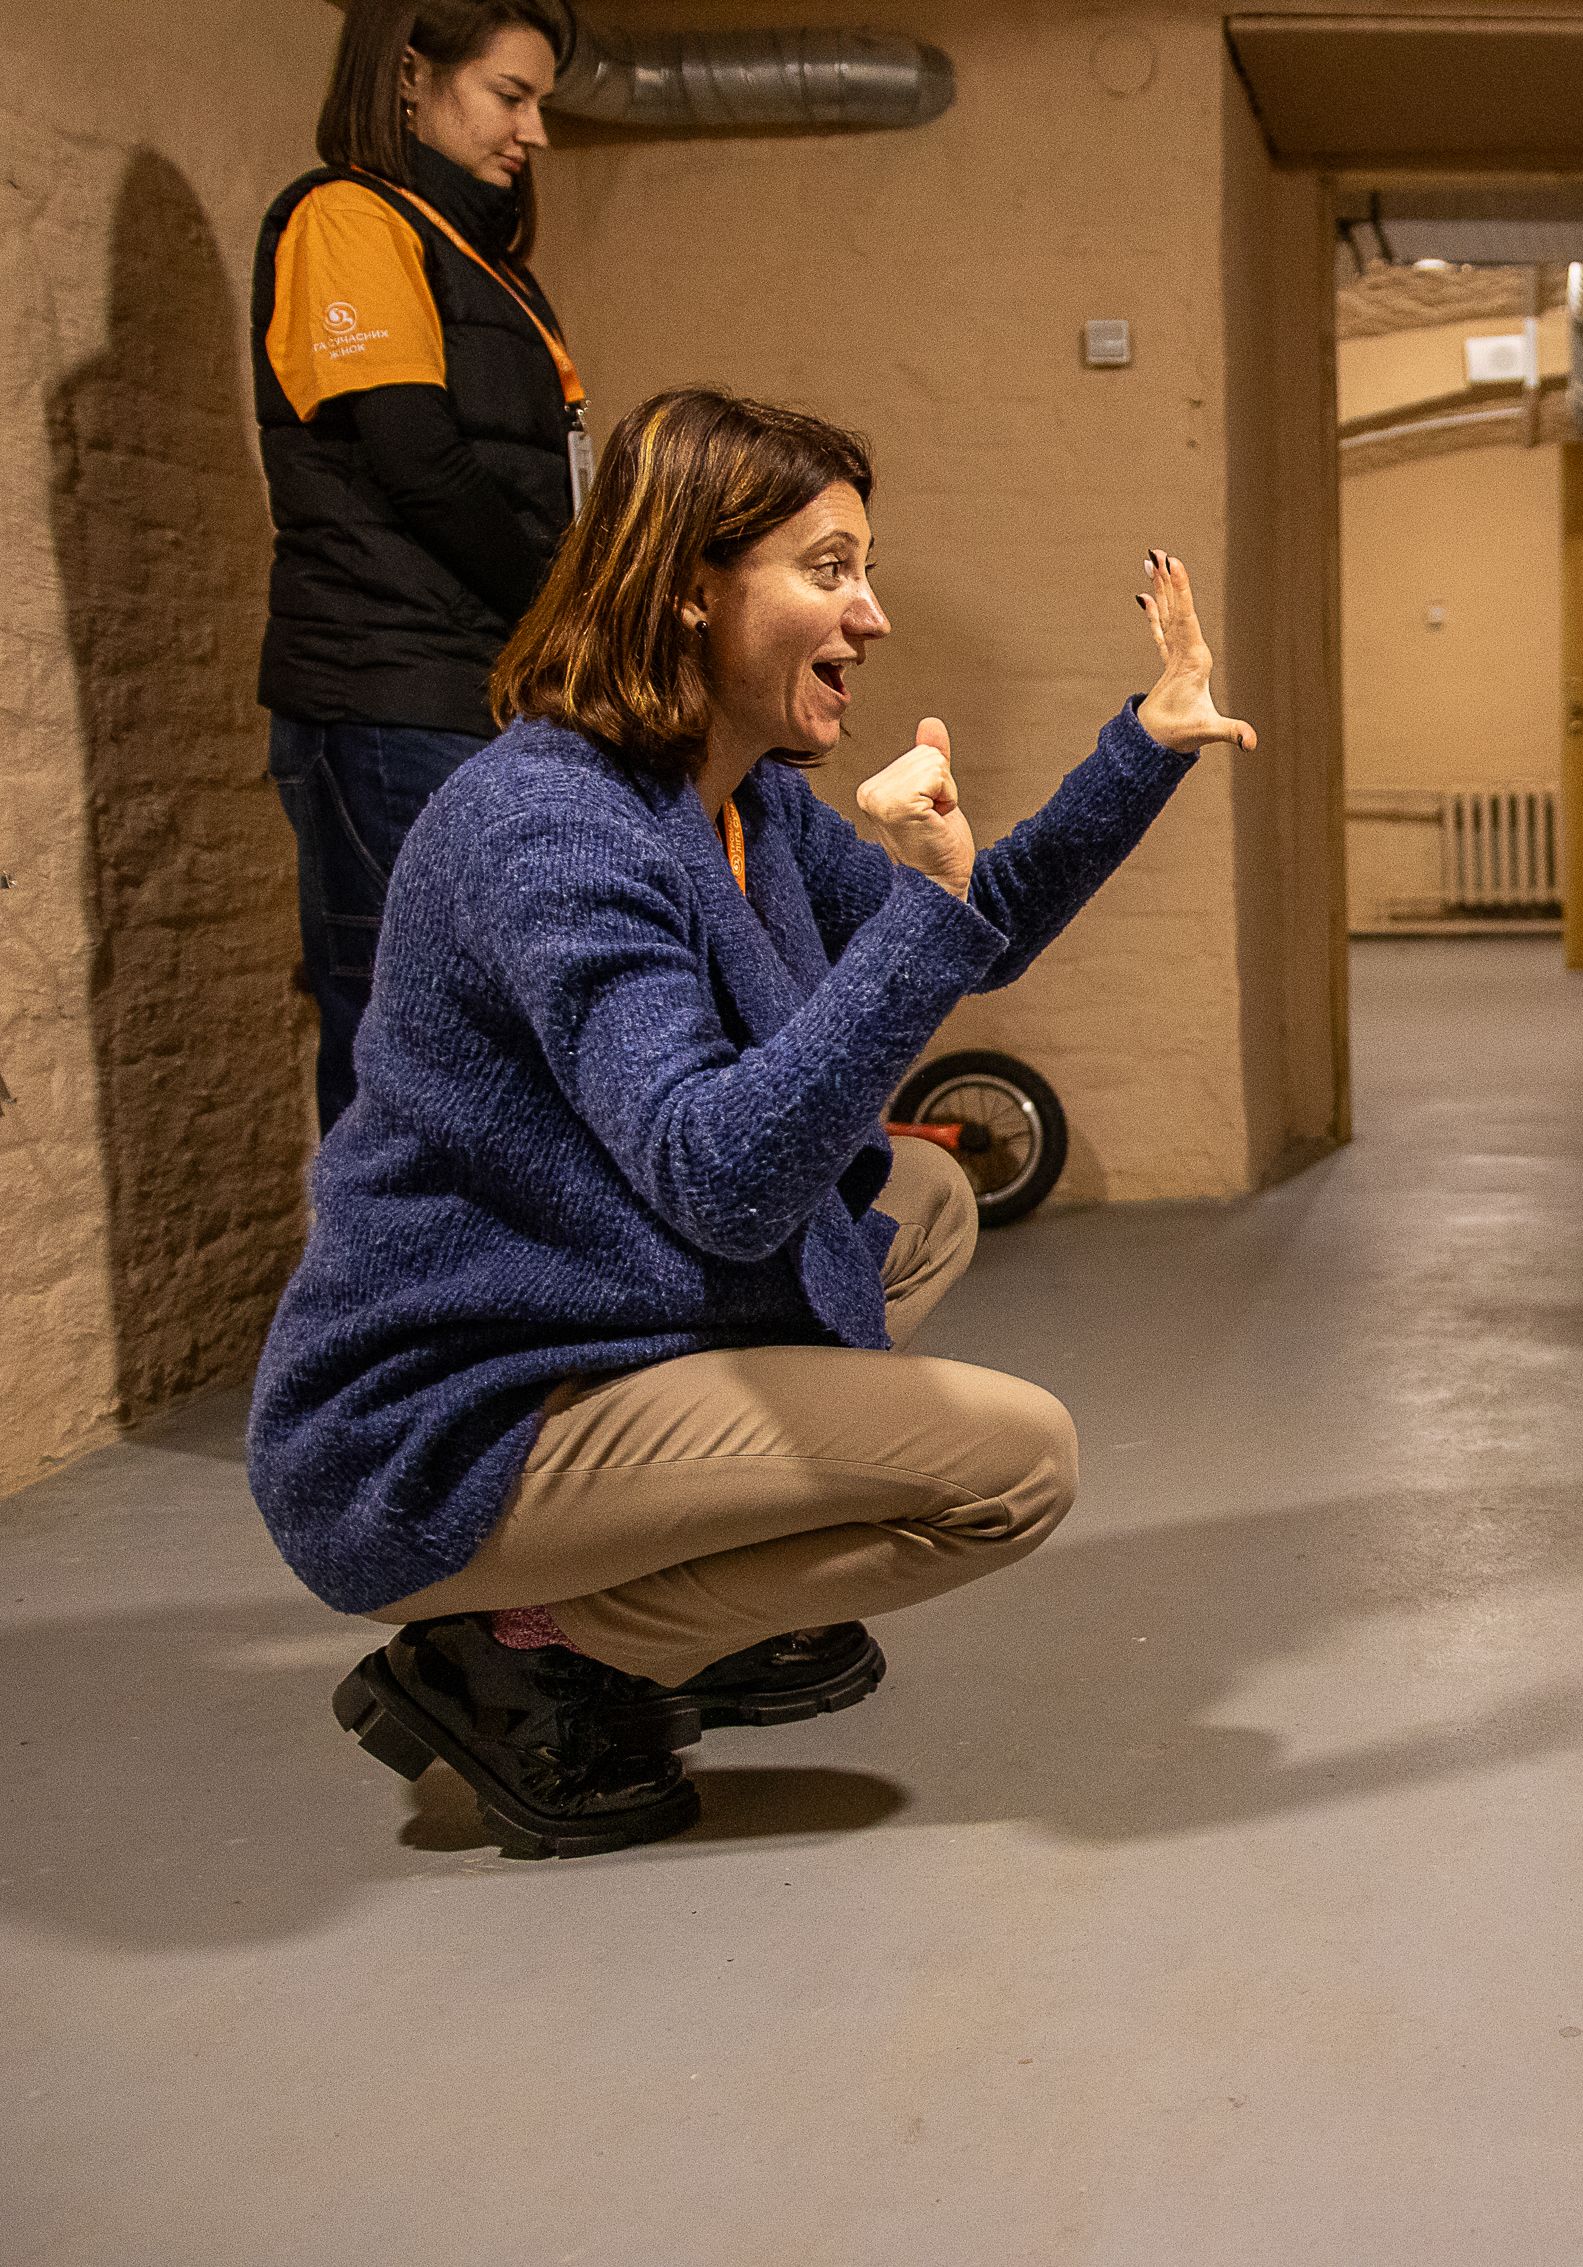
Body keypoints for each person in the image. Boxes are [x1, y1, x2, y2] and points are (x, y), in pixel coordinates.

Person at [247, 387, 1259, 1860]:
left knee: (920, 1198)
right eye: (831, 567)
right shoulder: (550, 826)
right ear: (685, 591)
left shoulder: (738, 803)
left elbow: (976, 929)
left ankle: (678, 1572)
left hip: (587, 1299)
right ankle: (527, 1642)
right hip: (442, 1414)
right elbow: (719, 1175)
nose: (875, 614)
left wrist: (1143, 748)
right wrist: (916, 913)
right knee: (1015, 1465)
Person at [255, 0, 591, 1130]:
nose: (534, 131)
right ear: (409, 75)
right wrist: (574, 613)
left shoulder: (483, 264)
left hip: (472, 693)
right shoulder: (345, 218)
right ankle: (389, 1311)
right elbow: (421, 463)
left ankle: (481, 1308)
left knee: (491, 1036)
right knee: (407, 1045)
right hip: (389, 699)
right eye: (510, 95)